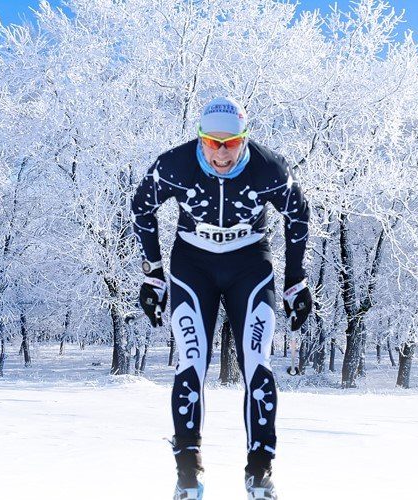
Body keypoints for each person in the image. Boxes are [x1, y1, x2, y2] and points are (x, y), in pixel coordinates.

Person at [131, 97, 312, 500]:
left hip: (250, 265)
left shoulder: (270, 168)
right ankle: (187, 473)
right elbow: (142, 207)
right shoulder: (174, 165)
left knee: (257, 361)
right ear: (200, 139)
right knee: (191, 361)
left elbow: (298, 214)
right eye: (212, 143)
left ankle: (260, 470)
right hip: (193, 266)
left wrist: (296, 280)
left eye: (232, 142)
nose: (222, 153)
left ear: (245, 139)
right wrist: (154, 275)